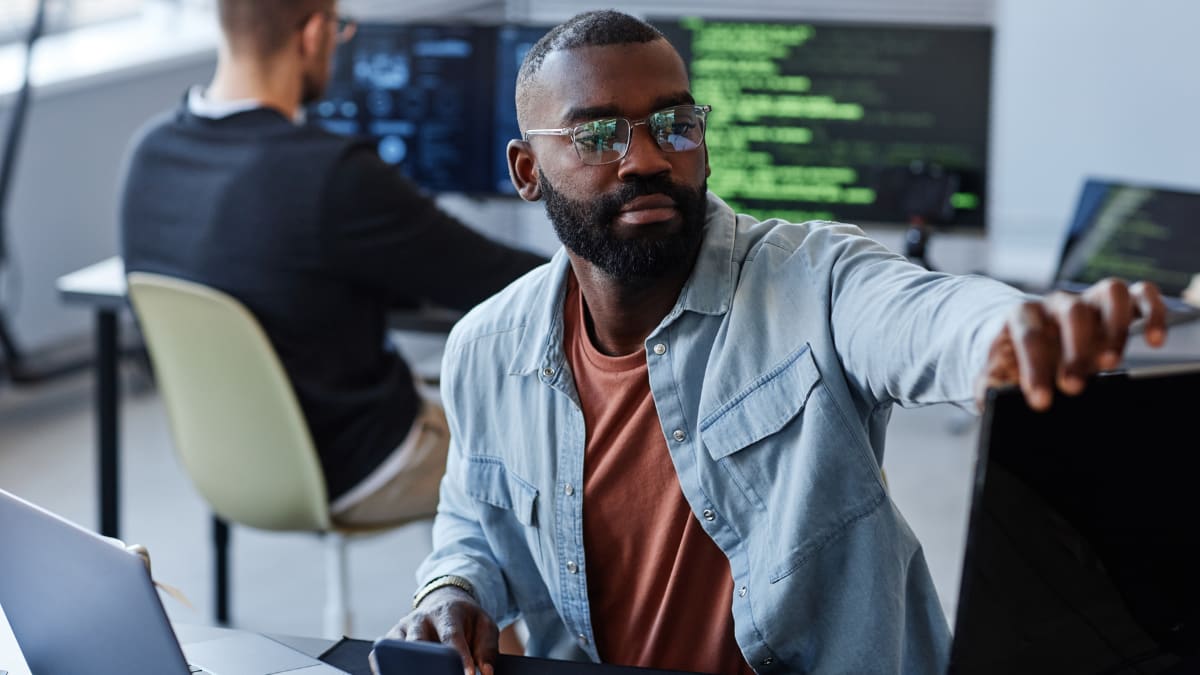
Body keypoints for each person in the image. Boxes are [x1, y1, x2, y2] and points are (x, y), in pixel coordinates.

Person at [379, 10, 1169, 675]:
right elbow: (472, 524)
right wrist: (452, 588)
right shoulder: (486, 347)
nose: (648, 159)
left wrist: (1012, 330)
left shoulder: (814, 278)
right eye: (598, 137)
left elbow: (925, 314)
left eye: (674, 125)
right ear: (526, 170)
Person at [118, 0, 545, 529]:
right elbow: (498, 280)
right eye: (339, 29)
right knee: (547, 439)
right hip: (362, 462)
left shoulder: (149, 152)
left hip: (226, 463)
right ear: (314, 33)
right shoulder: (332, 173)